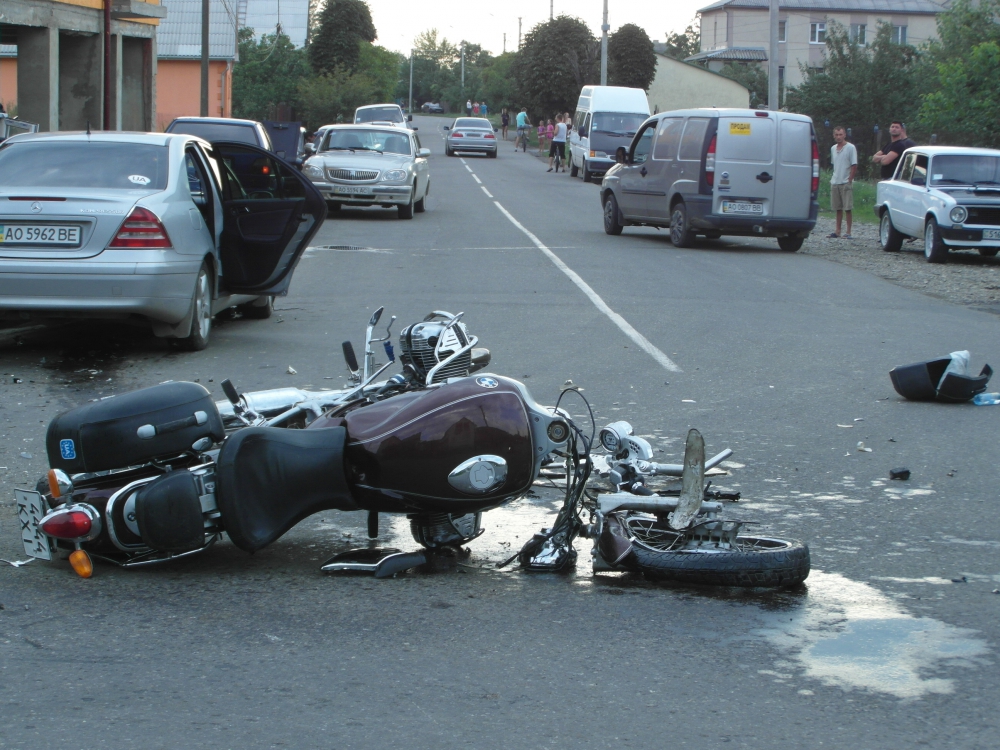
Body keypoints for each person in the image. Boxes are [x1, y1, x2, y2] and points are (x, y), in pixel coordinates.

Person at [828, 126, 858, 239]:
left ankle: (848, 231)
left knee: (848, 207)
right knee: (838, 207)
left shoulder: (850, 148)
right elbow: (834, 164)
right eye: (836, 135)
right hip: (835, 180)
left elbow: (854, 165)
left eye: (840, 134)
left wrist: (850, 180)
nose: (838, 137)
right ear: (834, 135)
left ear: (844, 135)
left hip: (845, 181)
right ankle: (837, 230)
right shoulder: (833, 148)